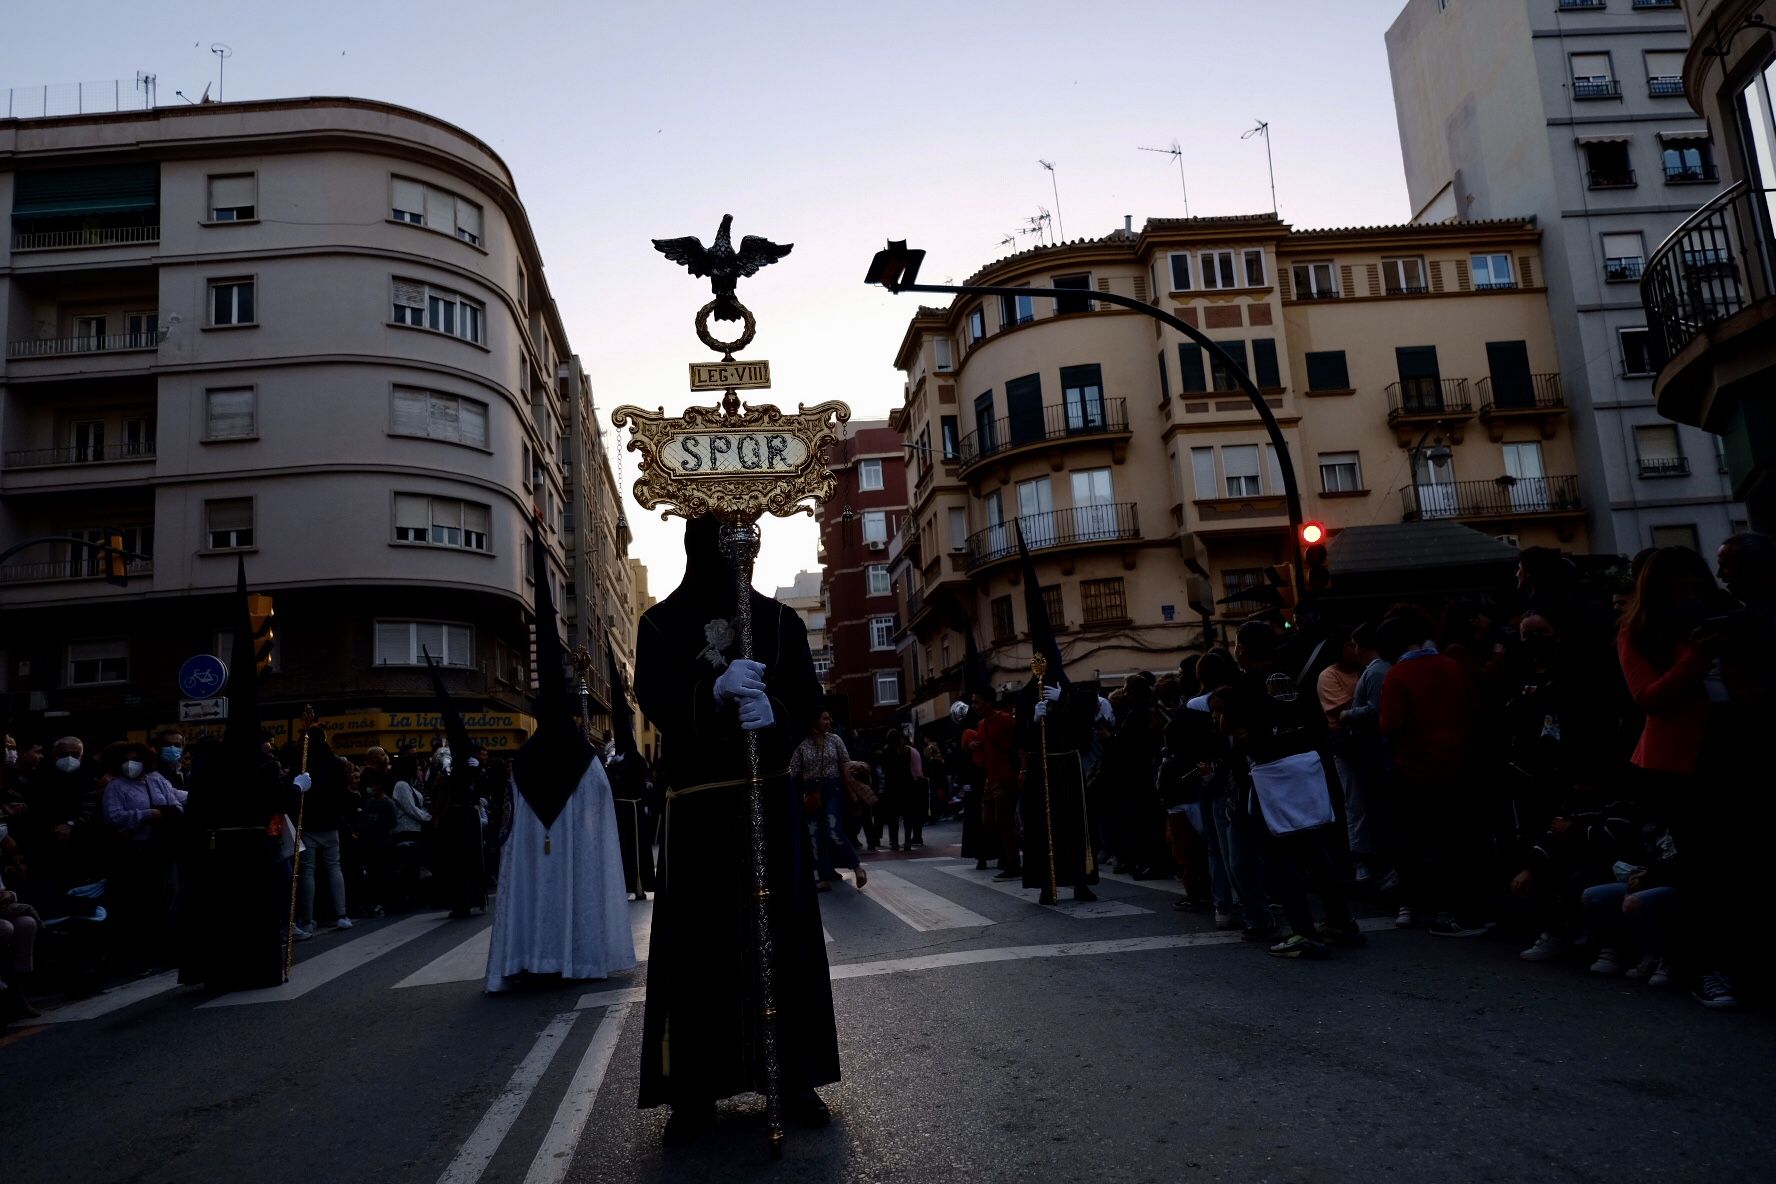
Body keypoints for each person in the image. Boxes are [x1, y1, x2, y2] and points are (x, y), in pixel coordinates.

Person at [635, 516, 838, 1144]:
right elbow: (655, 697)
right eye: (729, 540)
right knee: (698, 944)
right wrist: (711, 693)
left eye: (749, 539)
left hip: (767, 802)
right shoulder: (659, 625)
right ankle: (694, 1089)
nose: (740, 552)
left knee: (785, 936)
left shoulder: (780, 623)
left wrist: (772, 710)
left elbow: (805, 697)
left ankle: (794, 1074)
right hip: (698, 810)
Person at [485, 523, 635, 993]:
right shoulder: (587, 765)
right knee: (574, 884)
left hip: (536, 863)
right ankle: (575, 953)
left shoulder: (522, 762)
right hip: (569, 865)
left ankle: (528, 954)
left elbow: (508, 839)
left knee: (528, 886)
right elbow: (599, 840)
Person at [1379, 610, 1486, 937]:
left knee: (1411, 841)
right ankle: (1458, 906)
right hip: (1458, 764)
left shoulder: (1397, 675)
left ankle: (1415, 905)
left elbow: (1389, 725)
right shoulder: (1453, 667)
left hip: (1412, 767)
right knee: (1455, 840)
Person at [101, 739, 189, 973]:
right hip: (137, 851)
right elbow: (114, 817)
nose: (132, 764)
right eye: (127, 759)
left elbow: (174, 804)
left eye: (137, 759)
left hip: (163, 848)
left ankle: (168, 949)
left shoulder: (156, 779)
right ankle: (143, 955)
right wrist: (146, 814)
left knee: (169, 896)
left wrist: (166, 814)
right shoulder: (116, 787)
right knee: (142, 903)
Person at [1018, 667, 1100, 906]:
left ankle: (1081, 882)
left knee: (1075, 825)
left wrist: (1065, 701)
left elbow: (1085, 734)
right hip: (1041, 770)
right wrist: (1033, 720)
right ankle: (1046, 884)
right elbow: (1021, 739)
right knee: (1044, 828)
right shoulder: (1026, 697)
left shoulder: (1073, 695)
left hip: (1069, 769)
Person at [790, 711, 866, 892]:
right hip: (811, 790)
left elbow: (846, 764)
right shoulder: (802, 744)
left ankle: (857, 867)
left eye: (829, 718)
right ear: (814, 721)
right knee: (815, 835)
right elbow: (793, 770)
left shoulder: (835, 740)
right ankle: (823, 876)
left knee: (834, 830)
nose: (829, 721)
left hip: (833, 788)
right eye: (824, 718)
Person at [289, 724, 351, 938]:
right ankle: (341, 914)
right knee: (334, 867)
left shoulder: (303, 762)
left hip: (307, 823)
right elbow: (342, 791)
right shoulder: (335, 763)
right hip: (330, 822)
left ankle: (307, 920)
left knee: (307, 871)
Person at [967, 689, 1021, 880]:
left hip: (1006, 776)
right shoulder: (981, 724)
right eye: (973, 702)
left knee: (1003, 822)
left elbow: (1018, 744)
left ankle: (1013, 863)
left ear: (989, 702)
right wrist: (975, 746)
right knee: (989, 821)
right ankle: (1010, 853)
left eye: (978, 702)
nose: (975, 706)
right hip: (991, 779)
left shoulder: (1005, 720)